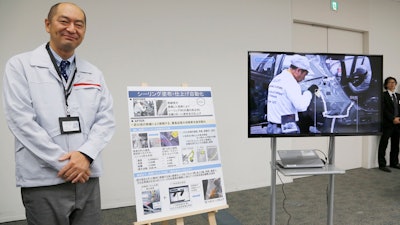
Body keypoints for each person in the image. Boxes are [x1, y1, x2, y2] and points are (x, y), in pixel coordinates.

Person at [2, 2, 115, 225]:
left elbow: (106, 120)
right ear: (47, 24)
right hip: (44, 179)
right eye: (64, 21)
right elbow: (21, 121)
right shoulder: (20, 66)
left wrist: (85, 155)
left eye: (79, 24)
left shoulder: (93, 73)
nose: (71, 28)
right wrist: (65, 164)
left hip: (86, 179)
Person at [266, 55, 319, 134]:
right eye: (305, 75)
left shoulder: (277, 79)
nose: (304, 79)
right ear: (298, 70)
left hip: (271, 127)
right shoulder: (291, 83)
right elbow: (301, 107)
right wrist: (309, 92)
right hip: (285, 129)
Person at [377, 77, 400, 172]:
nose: (392, 84)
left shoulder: (398, 96)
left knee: (395, 144)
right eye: (390, 82)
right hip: (388, 124)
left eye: (394, 82)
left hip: (398, 124)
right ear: (386, 85)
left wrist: (398, 119)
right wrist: (392, 118)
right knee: (384, 144)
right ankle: (382, 164)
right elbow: (383, 109)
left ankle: (394, 163)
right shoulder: (383, 95)